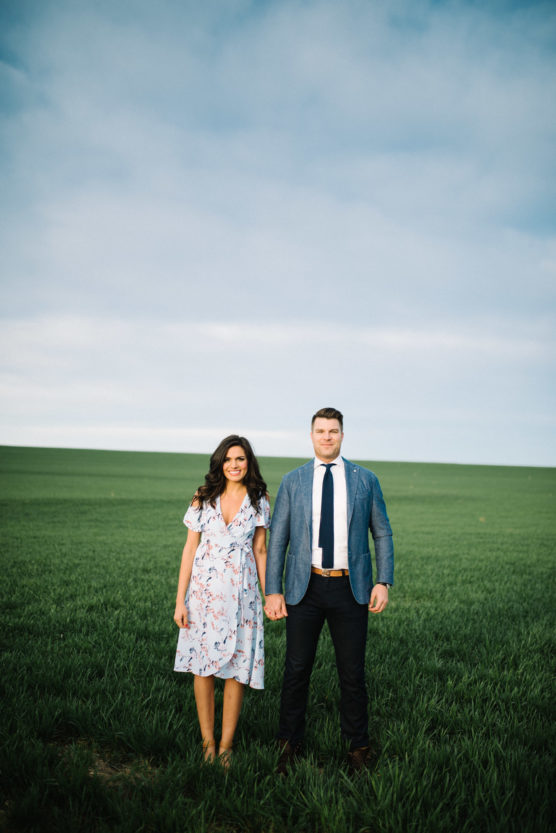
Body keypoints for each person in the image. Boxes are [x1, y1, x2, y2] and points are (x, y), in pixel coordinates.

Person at [264, 407, 393, 773]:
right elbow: (278, 541)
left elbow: (381, 532)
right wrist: (273, 590)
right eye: (320, 431)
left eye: (333, 431)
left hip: (350, 588)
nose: (326, 437)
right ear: (311, 435)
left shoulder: (365, 479)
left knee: (352, 672)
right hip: (304, 588)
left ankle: (358, 748)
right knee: (296, 669)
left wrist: (383, 581)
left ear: (341, 435)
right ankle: (288, 744)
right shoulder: (294, 480)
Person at [174, 435, 270, 766]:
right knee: (202, 667)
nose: (234, 465)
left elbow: (260, 550)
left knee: (236, 669)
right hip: (203, 596)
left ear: (249, 463)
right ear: (220, 462)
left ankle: (226, 746)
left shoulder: (259, 500)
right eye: (228, 459)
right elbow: (189, 549)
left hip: (243, 596)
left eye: (240, 459)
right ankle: (207, 743)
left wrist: (270, 594)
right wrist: (180, 601)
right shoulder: (203, 497)